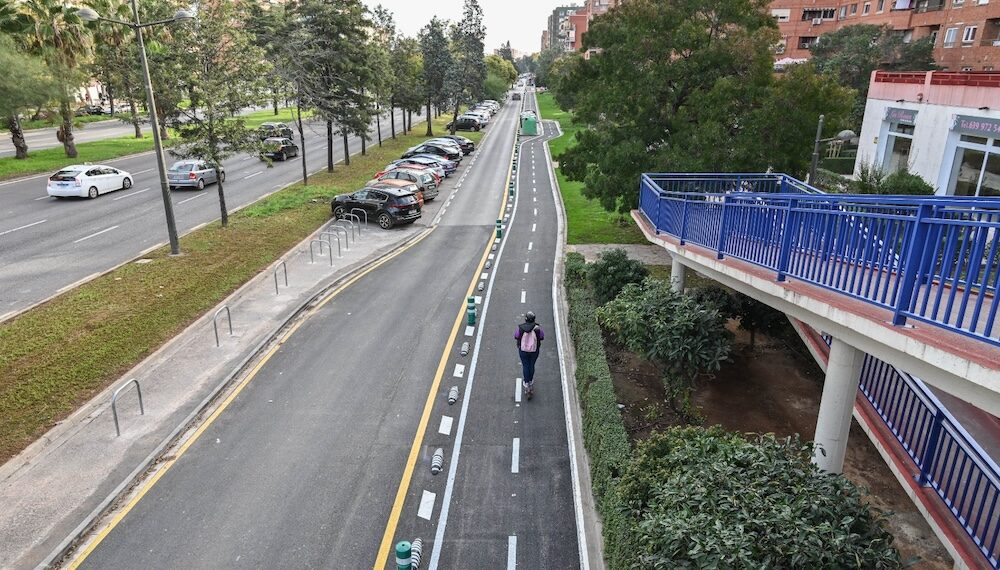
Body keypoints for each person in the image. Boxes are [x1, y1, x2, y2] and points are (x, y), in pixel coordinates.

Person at [514, 311, 544, 399]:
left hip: (523, 350)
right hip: (534, 350)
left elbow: (516, 336)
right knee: (531, 365)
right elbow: (542, 337)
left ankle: (526, 383)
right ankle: (530, 381)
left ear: (526, 319)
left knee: (525, 365)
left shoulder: (520, 328)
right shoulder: (537, 329)